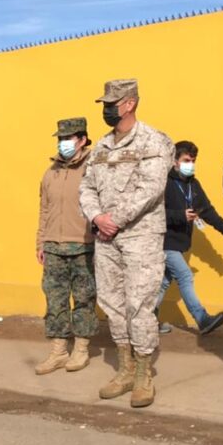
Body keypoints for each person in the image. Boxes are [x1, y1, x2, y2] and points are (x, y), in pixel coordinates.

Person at [80, 80, 173, 408]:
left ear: (130, 103)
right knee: (112, 304)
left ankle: (144, 373)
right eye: (104, 102)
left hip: (140, 236)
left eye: (113, 102)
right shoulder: (101, 147)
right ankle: (125, 368)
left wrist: (112, 219)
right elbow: (86, 187)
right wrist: (96, 217)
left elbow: (150, 188)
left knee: (139, 304)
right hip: (106, 238)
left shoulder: (154, 140)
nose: (106, 108)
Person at [34, 117, 98, 375]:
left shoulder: (92, 168)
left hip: (83, 245)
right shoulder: (51, 172)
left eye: (68, 138)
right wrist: (41, 240)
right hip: (53, 247)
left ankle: (81, 349)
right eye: (60, 139)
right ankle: (59, 351)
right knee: (55, 300)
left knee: (84, 298)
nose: (63, 143)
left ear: (82, 140)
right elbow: (44, 209)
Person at [156, 140, 223, 335]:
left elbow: (206, 210)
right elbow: (154, 214)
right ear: (174, 161)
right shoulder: (163, 182)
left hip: (179, 243)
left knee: (163, 282)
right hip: (165, 242)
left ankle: (146, 320)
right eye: (186, 160)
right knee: (184, 275)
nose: (190, 164)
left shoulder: (193, 185)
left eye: (193, 160)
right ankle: (202, 319)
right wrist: (179, 215)